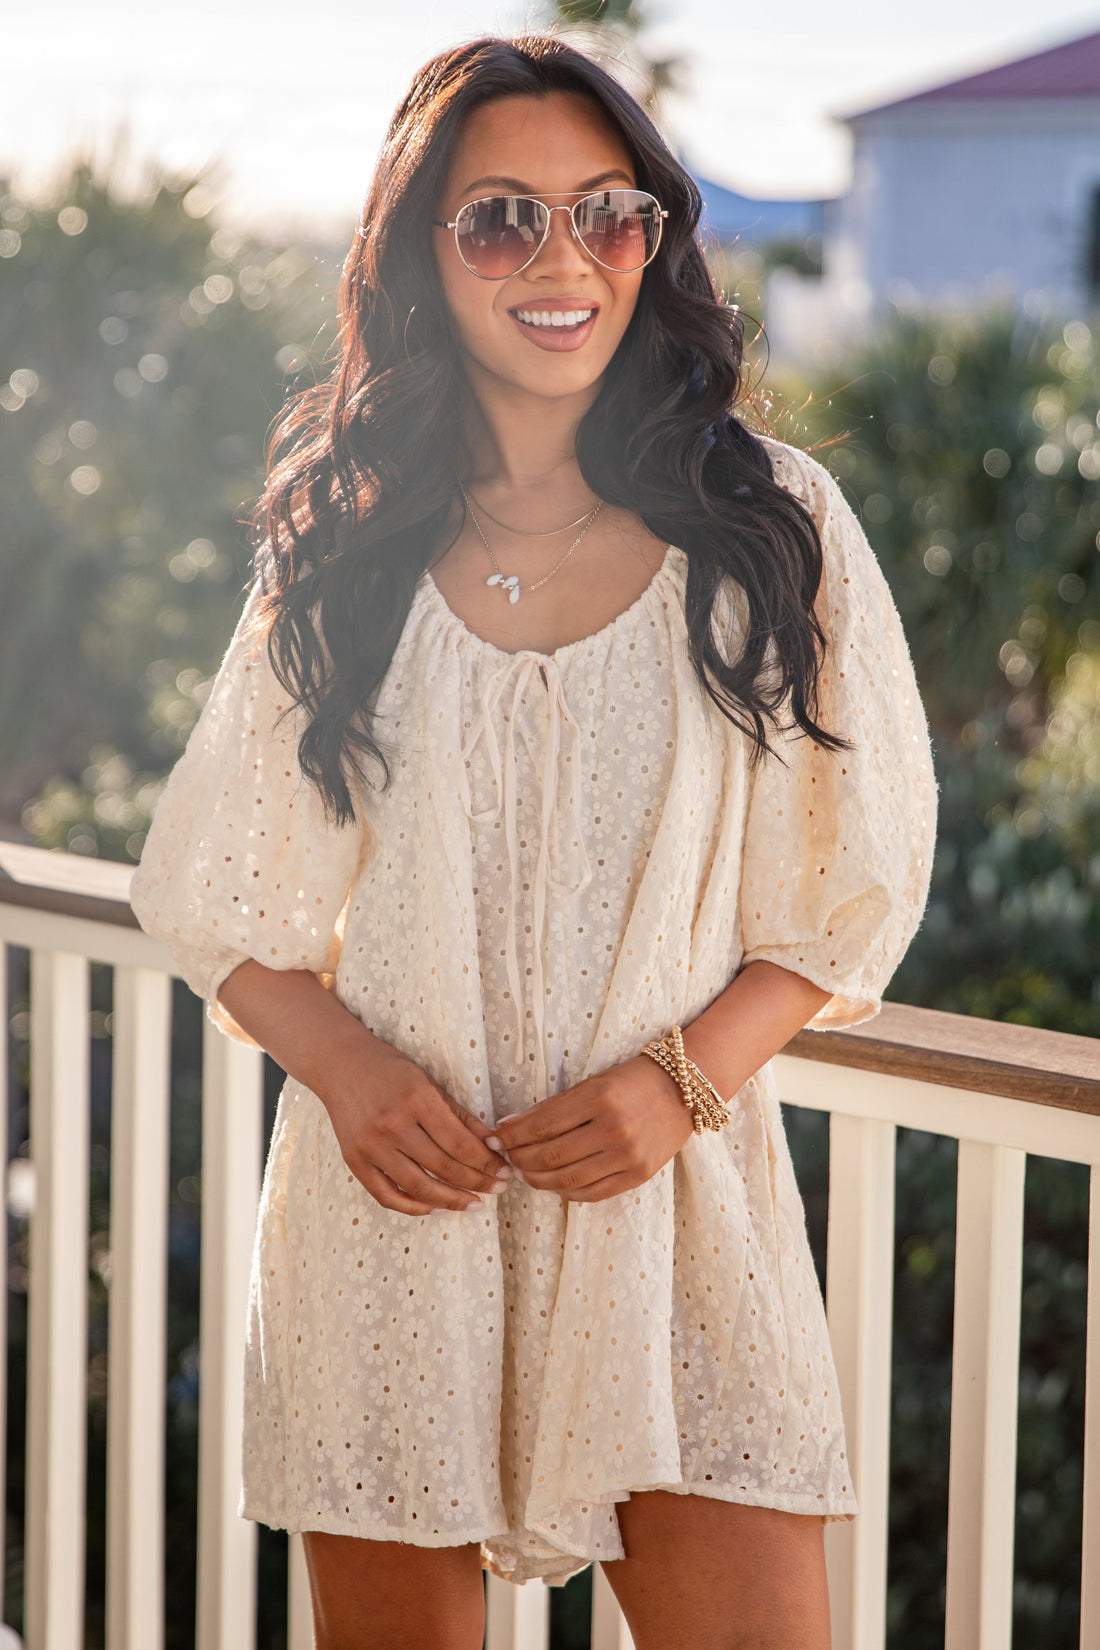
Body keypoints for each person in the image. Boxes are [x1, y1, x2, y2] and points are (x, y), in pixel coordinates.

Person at [130, 32, 937, 1650]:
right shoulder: (344, 548)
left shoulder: (768, 531)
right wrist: (349, 1072)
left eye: (609, 214)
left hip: (677, 1225)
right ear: (422, 252)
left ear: (655, 240)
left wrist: (683, 1081)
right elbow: (215, 891)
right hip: (394, 1224)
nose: (562, 259)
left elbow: (856, 884)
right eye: (502, 218)